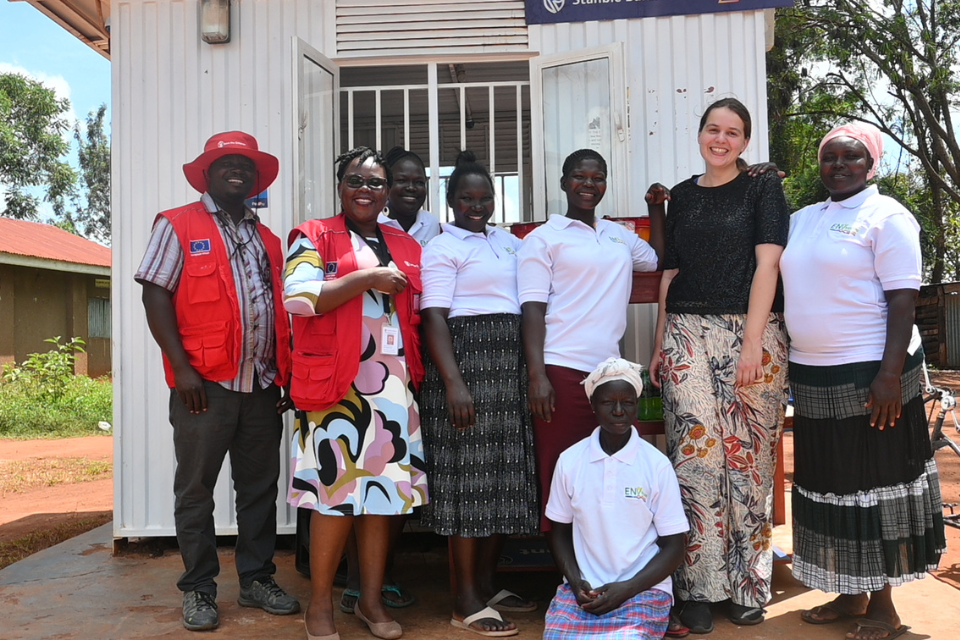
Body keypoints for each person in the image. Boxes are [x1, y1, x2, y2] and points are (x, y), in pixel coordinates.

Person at [779, 123, 946, 640]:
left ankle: (884, 608)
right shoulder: (803, 219)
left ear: (870, 165)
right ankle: (850, 592)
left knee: (879, 486)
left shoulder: (887, 216)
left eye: (851, 158)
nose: (839, 166)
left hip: (872, 373)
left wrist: (890, 374)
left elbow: (903, 299)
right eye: (830, 157)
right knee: (830, 483)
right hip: (811, 374)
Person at [135, 131, 300, 631]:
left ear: (256, 179)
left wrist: (285, 379)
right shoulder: (177, 223)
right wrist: (181, 368)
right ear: (206, 173)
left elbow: (280, 310)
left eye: (246, 166)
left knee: (258, 490)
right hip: (202, 386)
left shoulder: (268, 238)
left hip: (262, 387)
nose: (237, 171)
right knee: (195, 490)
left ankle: (256, 580)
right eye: (226, 163)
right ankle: (199, 589)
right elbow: (155, 296)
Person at [646, 97, 790, 634]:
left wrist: (752, 342)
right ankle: (699, 587)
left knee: (747, 462)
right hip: (686, 332)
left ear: (746, 142)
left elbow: (767, 263)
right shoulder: (682, 196)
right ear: (701, 134)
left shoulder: (762, 187)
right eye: (713, 129)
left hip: (751, 331)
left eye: (733, 132)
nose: (721, 140)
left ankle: (748, 584)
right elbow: (671, 271)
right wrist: (661, 341)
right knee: (696, 458)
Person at [284, 146, 428, 640]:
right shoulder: (314, 235)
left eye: (374, 183)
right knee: (334, 497)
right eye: (355, 181)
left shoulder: (403, 242)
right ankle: (320, 605)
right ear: (340, 186)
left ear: (388, 193)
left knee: (380, 499)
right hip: (336, 389)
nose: (364, 190)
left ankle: (369, 601)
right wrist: (367, 277)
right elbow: (299, 299)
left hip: (391, 386)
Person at [420, 151, 538, 637]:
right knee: (467, 483)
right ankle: (464, 600)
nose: (477, 204)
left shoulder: (509, 242)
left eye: (485, 197)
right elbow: (433, 317)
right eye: (466, 197)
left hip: (507, 369)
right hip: (466, 367)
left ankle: (488, 585)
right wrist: (453, 383)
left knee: (503, 477)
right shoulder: (440, 247)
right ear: (449, 201)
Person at [517, 149, 661, 536]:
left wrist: (657, 209)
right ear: (564, 183)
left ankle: (599, 563)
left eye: (598, 178)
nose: (589, 185)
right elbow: (532, 310)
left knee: (600, 474)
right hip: (560, 371)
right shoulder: (543, 239)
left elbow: (657, 259)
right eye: (580, 177)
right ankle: (562, 576)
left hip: (607, 377)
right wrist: (537, 376)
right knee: (560, 471)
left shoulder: (618, 235)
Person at [543, 357, 688, 640]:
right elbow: (558, 532)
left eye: (628, 403)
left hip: (643, 589)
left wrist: (627, 589)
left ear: (636, 405)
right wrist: (575, 582)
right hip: (586, 591)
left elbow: (675, 547)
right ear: (593, 406)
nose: (619, 411)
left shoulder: (655, 465)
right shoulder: (570, 461)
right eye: (609, 403)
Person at [377, 146, 441, 246]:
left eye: (419, 182)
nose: (411, 188)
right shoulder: (374, 223)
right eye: (402, 180)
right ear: (387, 184)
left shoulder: (431, 224)